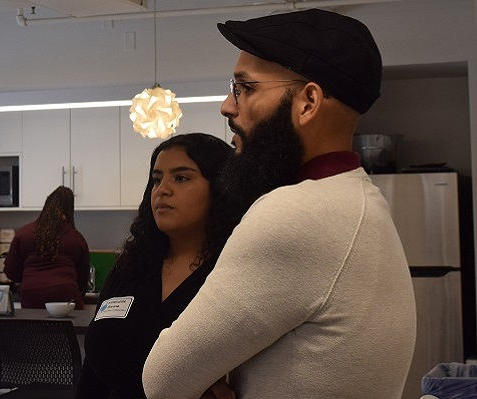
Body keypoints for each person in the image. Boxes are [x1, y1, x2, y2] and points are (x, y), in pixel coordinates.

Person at [142, 9, 416, 398]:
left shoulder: (294, 214)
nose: (227, 106)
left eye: (245, 89)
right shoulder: (357, 198)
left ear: (307, 102)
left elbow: (162, 380)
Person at [76, 133, 237, 399]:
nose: (163, 190)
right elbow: (92, 370)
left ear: (220, 188)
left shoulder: (232, 272)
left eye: (181, 177)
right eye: (157, 179)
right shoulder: (131, 268)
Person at [3, 186, 90, 309]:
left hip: (31, 297)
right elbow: (82, 280)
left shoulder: (24, 233)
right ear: (70, 210)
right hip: (66, 297)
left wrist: (28, 279)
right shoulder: (76, 238)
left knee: (35, 328)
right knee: (69, 328)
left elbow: (10, 271)